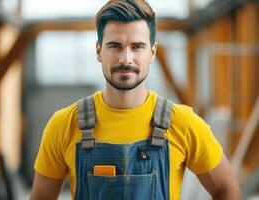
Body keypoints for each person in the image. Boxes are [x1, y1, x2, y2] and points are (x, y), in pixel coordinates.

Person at [31, 0, 241, 199]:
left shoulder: (183, 123)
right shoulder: (64, 125)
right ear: (98, 51)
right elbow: (41, 197)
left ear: (152, 52)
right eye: (115, 46)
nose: (126, 59)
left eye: (137, 46)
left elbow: (227, 189)